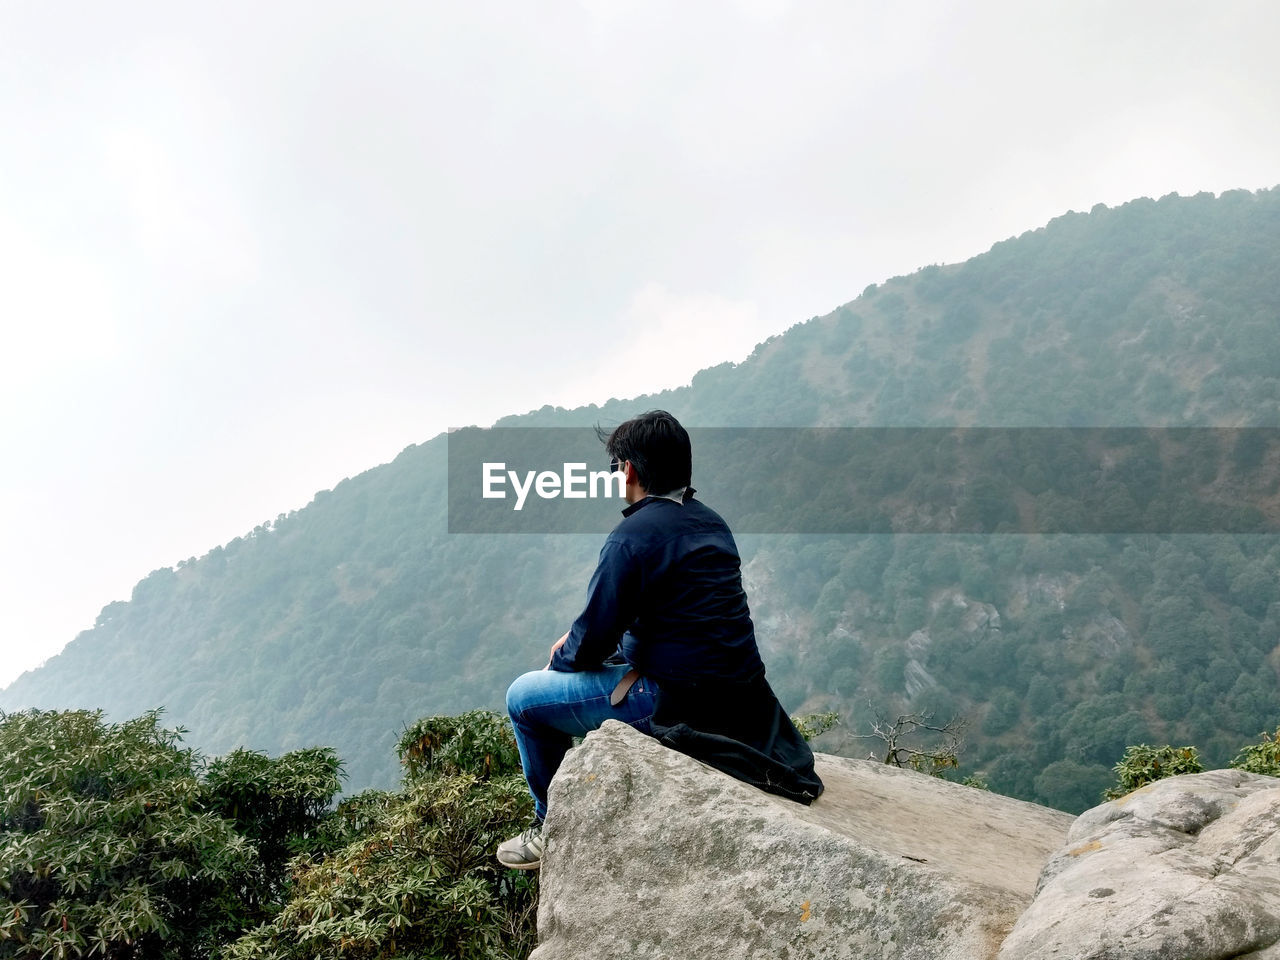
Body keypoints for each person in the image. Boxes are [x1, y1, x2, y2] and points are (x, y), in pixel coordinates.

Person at [496, 410, 823, 871]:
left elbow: (589, 643)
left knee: (524, 698)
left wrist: (562, 659)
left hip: (676, 701)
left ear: (628, 469)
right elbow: (680, 615)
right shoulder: (711, 523)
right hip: (743, 698)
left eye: (614, 466)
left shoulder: (631, 538)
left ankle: (549, 827)